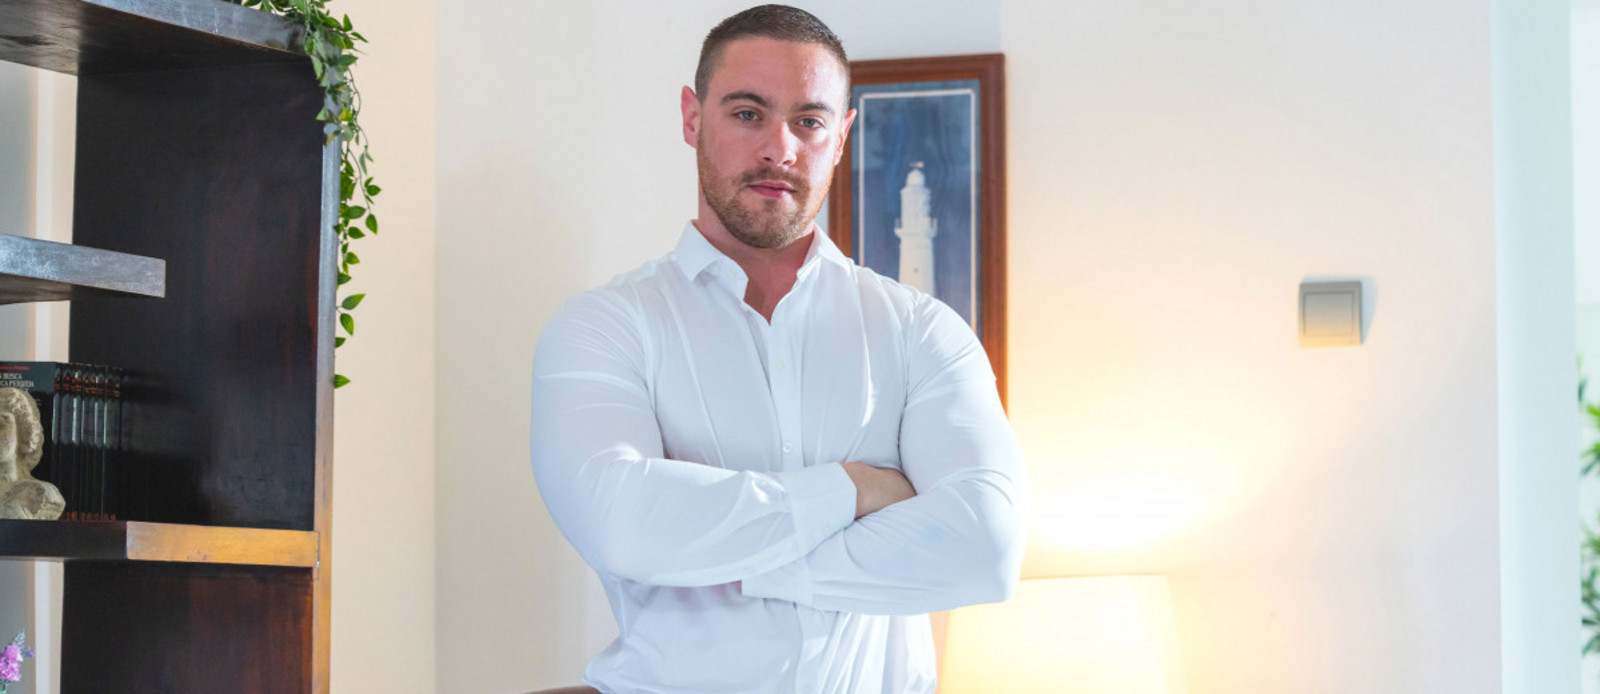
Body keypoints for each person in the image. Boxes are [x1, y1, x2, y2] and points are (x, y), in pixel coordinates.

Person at [528, 6, 1026, 693]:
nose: (779, 149)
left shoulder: (921, 330)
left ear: (842, 136)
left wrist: (729, 561)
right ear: (692, 118)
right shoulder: (606, 327)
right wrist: (854, 489)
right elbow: (621, 524)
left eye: (809, 121)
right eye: (747, 114)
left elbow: (985, 549)